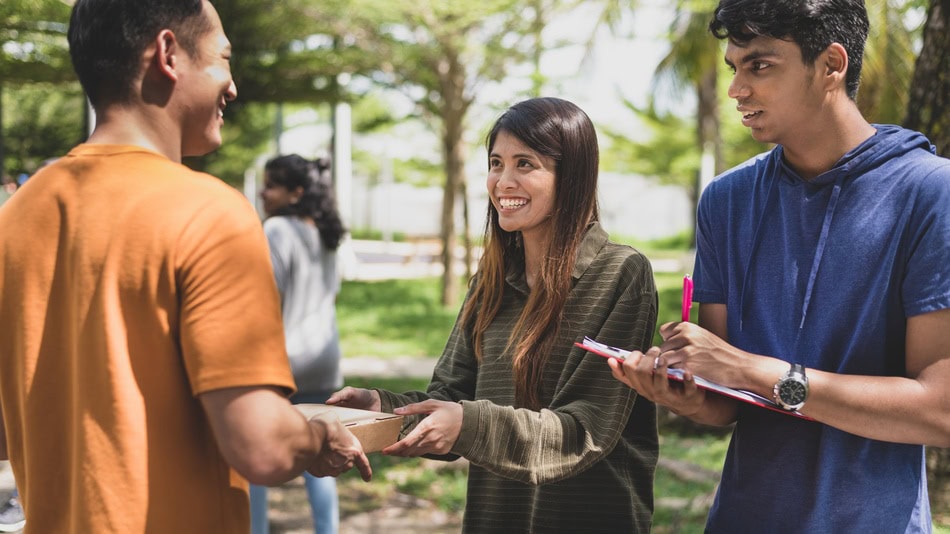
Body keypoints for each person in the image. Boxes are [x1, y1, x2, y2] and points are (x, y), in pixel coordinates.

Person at [0, 1, 371, 533]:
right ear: (168, 54)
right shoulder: (209, 211)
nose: (233, 86)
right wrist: (318, 437)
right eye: (223, 59)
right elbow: (261, 445)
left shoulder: (16, 216)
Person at [608, 1, 950, 532]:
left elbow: (940, 410)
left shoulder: (931, 193)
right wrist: (685, 391)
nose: (736, 89)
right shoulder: (725, 200)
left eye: (760, 66)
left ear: (831, 65)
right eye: (734, 67)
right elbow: (726, 403)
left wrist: (755, 372)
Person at [329, 97, 660, 533]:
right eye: (495, 163)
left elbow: (585, 432)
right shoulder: (491, 279)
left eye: (526, 164)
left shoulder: (621, 273)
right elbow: (451, 398)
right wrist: (383, 409)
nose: (503, 181)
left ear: (572, 177)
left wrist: (468, 424)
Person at [250, 154, 347, 534]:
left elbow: (267, 301)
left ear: (296, 192)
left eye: (271, 184)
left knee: (256, 456)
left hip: (283, 360)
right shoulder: (325, 232)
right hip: (324, 357)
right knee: (321, 454)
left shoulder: (275, 229)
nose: (262, 191)